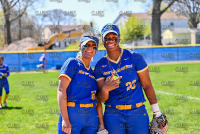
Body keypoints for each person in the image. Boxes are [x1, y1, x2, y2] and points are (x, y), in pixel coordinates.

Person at [94, 23, 167, 134]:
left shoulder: (134, 57)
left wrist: (156, 111)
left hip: (137, 111)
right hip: (113, 114)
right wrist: (105, 89)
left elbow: (147, 85)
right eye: (107, 38)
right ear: (103, 40)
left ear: (119, 38)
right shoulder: (100, 65)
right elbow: (101, 98)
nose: (110, 41)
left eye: (114, 38)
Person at [57, 35, 106, 134]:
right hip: (73, 114)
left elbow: (97, 100)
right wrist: (65, 119)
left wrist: (101, 124)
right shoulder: (73, 63)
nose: (90, 48)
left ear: (96, 50)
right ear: (80, 47)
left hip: (91, 117)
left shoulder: (93, 72)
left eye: (93, 46)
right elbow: (61, 90)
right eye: (86, 45)